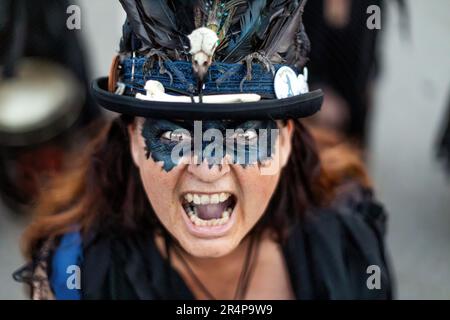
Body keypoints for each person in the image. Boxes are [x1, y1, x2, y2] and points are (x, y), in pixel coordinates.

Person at [14, 0, 393, 300]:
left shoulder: (348, 248)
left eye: (244, 138)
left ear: (285, 142)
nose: (208, 169)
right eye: (175, 138)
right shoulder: (74, 278)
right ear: (132, 140)